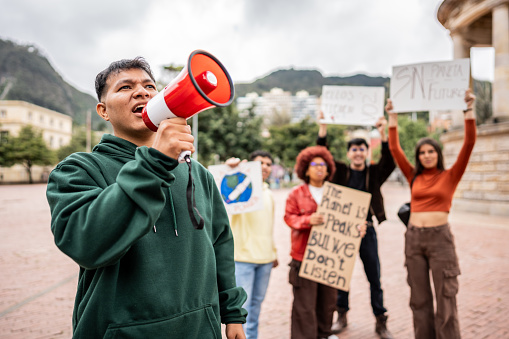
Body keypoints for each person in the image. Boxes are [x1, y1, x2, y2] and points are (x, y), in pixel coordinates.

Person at [46, 57, 247, 339]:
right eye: (125, 87)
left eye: (149, 86)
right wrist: (155, 163)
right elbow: (85, 244)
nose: (141, 92)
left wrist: (232, 313)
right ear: (103, 111)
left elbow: (220, 244)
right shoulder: (77, 170)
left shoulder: (197, 173)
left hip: (201, 330)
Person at [386, 89, 476, 339]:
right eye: (422, 152)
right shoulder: (413, 175)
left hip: (440, 240)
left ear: (438, 154)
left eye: (431, 151)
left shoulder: (450, 175)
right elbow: (395, 149)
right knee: (419, 299)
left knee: (446, 298)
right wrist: (392, 117)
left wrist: (468, 111)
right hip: (414, 239)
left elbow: (468, 144)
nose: (426, 156)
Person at [317, 115, 395, 339]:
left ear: (366, 152)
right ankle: (341, 315)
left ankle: (381, 320)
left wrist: (383, 133)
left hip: (367, 229)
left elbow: (389, 160)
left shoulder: (374, 173)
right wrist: (323, 128)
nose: (358, 152)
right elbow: (323, 155)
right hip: (342, 230)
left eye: (362, 149)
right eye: (354, 149)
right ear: (348, 153)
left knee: (374, 276)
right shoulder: (339, 172)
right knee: (341, 275)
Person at [284, 145, 367, 339]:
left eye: (323, 165)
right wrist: (307, 220)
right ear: (306, 169)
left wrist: (358, 228)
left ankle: (324, 335)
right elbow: (289, 218)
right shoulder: (296, 193)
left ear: (329, 169)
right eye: (315, 164)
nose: (320, 168)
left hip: (329, 261)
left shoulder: (338, 193)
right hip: (303, 259)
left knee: (327, 305)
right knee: (304, 308)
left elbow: (349, 222)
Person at [225, 150, 278, 339]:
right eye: (260, 163)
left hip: (265, 260)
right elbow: (222, 191)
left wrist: (274, 252)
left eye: (268, 164)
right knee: (241, 312)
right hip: (243, 259)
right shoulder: (241, 190)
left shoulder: (269, 193)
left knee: (255, 309)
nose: (265, 167)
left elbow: (269, 225)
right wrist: (232, 169)